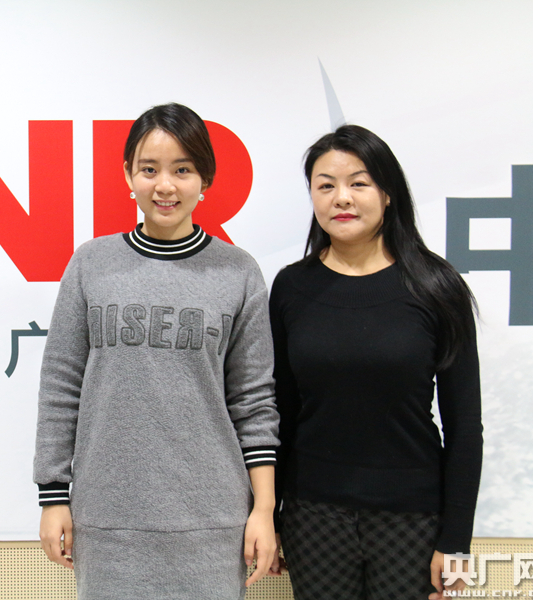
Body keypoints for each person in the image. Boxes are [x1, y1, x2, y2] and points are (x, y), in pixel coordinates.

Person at [33, 103, 280, 600]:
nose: (165, 185)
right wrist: (53, 496)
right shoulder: (92, 264)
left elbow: (253, 401)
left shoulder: (238, 272)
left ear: (205, 179)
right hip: (108, 518)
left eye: (182, 170)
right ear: (129, 175)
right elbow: (61, 385)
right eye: (149, 169)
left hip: (213, 521)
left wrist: (263, 509)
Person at [268, 124, 483, 599]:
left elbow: (465, 426)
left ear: (387, 194)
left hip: (411, 517)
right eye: (326, 185)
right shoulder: (291, 288)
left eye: (359, 183)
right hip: (313, 515)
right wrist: (272, 515)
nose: (341, 197)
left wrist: (456, 541)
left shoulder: (437, 287)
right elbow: (280, 411)